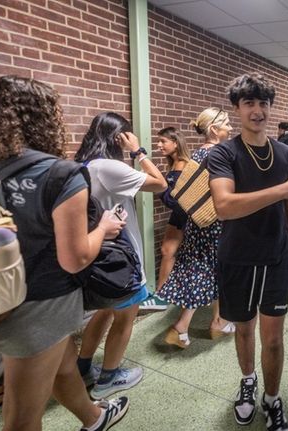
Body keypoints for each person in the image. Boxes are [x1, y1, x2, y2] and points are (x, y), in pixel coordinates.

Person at [0, 75, 128, 431]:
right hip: (38, 304)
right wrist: (103, 229)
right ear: (46, 119)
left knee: (61, 362)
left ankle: (94, 417)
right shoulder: (59, 174)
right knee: (22, 419)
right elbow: (74, 258)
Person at [208, 73, 288, 431]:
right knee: (245, 331)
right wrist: (282, 190)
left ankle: (272, 399)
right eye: (249, 103)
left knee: (275, 339)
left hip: (277, 257)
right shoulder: (224, 153)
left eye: (263, 103)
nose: (258, 110)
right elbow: (224, 206)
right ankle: (248, 383)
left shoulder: (285, 152)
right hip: (237, 258)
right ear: (237, 108)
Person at [74, 112, 168, 400]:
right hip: (122, 257)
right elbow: (159, 183)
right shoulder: (109, 167)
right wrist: (138, 151)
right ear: (118, 137)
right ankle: (109, 378)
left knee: (104, 312)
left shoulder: (85, 164)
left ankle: (83, 368)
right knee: (125, 318)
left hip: (102, 254)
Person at [156, 108, 236, 348]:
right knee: (213, 270)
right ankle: (186, 326)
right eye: (226, 124)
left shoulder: (198, 155)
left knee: (209, 269)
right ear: (214, 129)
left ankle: (215, 322)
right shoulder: (221, 154)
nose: (230, 128)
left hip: (197, 223)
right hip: (216, 224)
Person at [141, 127, 190, 313]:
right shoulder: (175, 164)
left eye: (163, 141)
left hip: (185, 215)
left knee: (176, 253)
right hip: (178, 214)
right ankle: (162, 295)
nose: (159, 145)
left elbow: (174, 200)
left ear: (176, 143)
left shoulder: (183, 166)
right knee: (167, 250)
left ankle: (164, 296)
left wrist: (158, 187)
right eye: (158, 141)